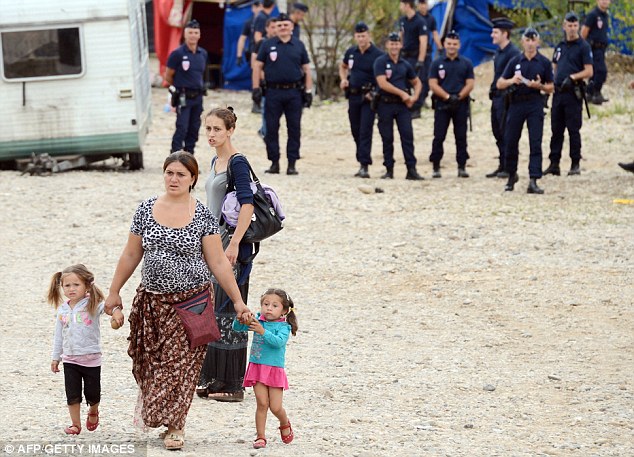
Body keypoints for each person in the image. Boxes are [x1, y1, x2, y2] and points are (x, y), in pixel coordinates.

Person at [104, 151, 253, 450]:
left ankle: (176, 426)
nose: (174, 179)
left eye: (181, 174)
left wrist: (238, 301)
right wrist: (114, 290)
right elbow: (131, 253)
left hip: (192, 303)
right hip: (151, 302)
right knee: (151, 364)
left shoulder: (202, 215)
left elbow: (218, 262)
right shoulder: (146, 209)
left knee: (179, 366)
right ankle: (165, 415)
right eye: (169, 173)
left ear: (192, 179)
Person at [196, 107, 257, 402]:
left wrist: (234, 243)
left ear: (230, 130)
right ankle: (213, 378)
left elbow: (248, 204)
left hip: (229, 248)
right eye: (208, 128)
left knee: (230, 309)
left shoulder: (237, 162)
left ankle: (233, 384)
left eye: (217, 129)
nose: (211, 134)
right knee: (213, 310)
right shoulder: (215, 161)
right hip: (211, 245)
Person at [48, 264, 124, 435]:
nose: (71, 289)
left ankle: (93, 411)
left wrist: (116, 312)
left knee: (93, 394)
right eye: (67, 285)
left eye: (76, 285)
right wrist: (56, 357)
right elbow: (59, 336)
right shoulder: (63, 310)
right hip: (70, 359)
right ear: (61, 287)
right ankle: (75, 424)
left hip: (91, 359)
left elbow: (108, 307)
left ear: (87, 286)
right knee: (72, 394)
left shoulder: (92, 304)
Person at [232, 288, 298, 449]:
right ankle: (260, 437)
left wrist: (262, 331)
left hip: (274, 369)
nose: (269, 308)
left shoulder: (284, 327)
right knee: (262, 403)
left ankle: (284, 422)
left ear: (284, 310)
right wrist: (240, 318)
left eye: (275, 306)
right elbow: (237, 328)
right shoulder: (257, 320)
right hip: (257, 367)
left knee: (275, 407)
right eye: (266, 304)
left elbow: (278, 343)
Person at [253, 13, 313, 175]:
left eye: (286, 25)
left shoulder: (299, 45)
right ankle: (274, 163)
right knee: (271, 128)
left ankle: (292, 164)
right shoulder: (267, 45)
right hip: (273, 92)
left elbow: (307, 69)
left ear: (291, 27)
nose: (283, 28)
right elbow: (257, 66)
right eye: (279, 25)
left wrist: (308, 91)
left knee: (294, 128)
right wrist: (256, 88)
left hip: (294, 93)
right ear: (275, 28)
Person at [496, 27, 554, 194]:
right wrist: (511, 81)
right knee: (511, 140)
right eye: (527, 40)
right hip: (516, 103)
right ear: (522, 42)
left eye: (533, 40)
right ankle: (511, 174)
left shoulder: (544, 62)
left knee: (535, 141)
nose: (530, 44)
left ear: (538, 42)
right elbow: (499, 83)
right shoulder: (515, 61)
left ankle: (534, 179)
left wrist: (540, 86)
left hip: (534, 103)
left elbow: (551, 87)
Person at [545, 12, 593, 177]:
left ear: (578, 26)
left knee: (573, 129)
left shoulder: (583, 46)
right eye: (569, 25)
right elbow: (554, 67)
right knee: (556, 130)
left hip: (573, 92)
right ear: (564, 26)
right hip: (558, 92)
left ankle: (575, 163)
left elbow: (589, 71)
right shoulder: (560, 46)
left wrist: (572, 77)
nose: (572, 29)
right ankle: (554, 163)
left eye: (575, 25)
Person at [373, 32, 424, 180]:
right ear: (387, 45)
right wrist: (402, 93)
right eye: (392, 44)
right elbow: (382, 83)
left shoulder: (405, 64)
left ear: (401, 45)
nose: (394, 46)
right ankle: (389, 170)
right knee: (387, 137)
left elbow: (417, 82)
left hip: (402, 106)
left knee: (407, 136)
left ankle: (411, 169)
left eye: (397, 44)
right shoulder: (380, 62)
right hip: (385, 104)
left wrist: (415, 97)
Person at [339, 21, 384, 178]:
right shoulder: (351, 52)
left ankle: (364, 165)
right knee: (355, 129)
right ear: (355, 37)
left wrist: (375, 92)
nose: (361, 39)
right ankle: (361, 159)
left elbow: (382, 77)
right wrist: (343, 79)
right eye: (358, 36)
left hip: (368, 98)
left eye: (363, 36)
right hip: (353, 95)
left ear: (369, 36)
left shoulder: (378, 55)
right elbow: (343, 66)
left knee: (365, 130)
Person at [428, 30, 475, 178]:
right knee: (439, 136)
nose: (452, 46)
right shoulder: (437, 63)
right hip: (442, 104)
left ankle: (462, 167)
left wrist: (459, 97)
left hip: (461, 104)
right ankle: (436, 166)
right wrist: (447, 97)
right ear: (444, 44)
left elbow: (470, 83)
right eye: (449, 43)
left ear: (459, 45)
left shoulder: (466, 63)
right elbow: (432, 84)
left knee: (461, 137)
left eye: (455, 44)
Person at [165, 20, 209, 154]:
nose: (193, 36)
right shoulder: (177, 54)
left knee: (194, 129)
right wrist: (179, 87)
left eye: (196, 33)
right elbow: (168, 76)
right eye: (190, 33)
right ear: (185, 34)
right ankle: (175, 156)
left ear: (199, 35)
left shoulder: (203, 54)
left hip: (198, 97)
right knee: (182, 128)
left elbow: (201, 74)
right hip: (183, 97)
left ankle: (189, 157)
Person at [486, 18, 521, 179]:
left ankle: (509, 167)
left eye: (495, 32)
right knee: (497, 132)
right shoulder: (499, 52)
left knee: (506, 132)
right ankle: (502, 164)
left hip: (507, 98)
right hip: (497, 97)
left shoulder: (513, 53)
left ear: (505, 34)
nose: (492, 35)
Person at [399, 0, 428, 119]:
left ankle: (416, 109)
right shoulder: (403, 20)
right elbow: (401, 37)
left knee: (417, 82)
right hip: (404, 55)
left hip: (415, 56)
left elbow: (423, 42)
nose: (400, 7)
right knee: (404, 81)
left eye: (401, 4)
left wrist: (420, 60)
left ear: (407, 5)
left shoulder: (420, 21)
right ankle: (407, 105)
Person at [581, 0, 611, 104]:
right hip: (593, 47)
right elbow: (584, 31)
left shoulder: (605, 15)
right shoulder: (593, 15)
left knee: (595, 72)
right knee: (601, 71)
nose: (604, 1)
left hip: (601, 48)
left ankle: (589, 93)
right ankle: (596, 92)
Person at [417, 0, 443, 108]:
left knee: (427, 77)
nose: (423, 6)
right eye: (421, 4)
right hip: (415, 52)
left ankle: (423, 98)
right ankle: (417, 100)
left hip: (427, 52)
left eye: (425, 4)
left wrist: (440, 47)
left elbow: (435, 34)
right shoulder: (415, 18)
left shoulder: (431, 19)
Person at [236, 1, 263, 67]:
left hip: (264, 50)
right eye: (257, 6)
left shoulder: (267, 20)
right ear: (253, 8)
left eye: (261, 6)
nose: (260, 9)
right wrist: (239, 55)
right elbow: (242, 38)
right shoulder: (249, 22)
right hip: (253, 50)